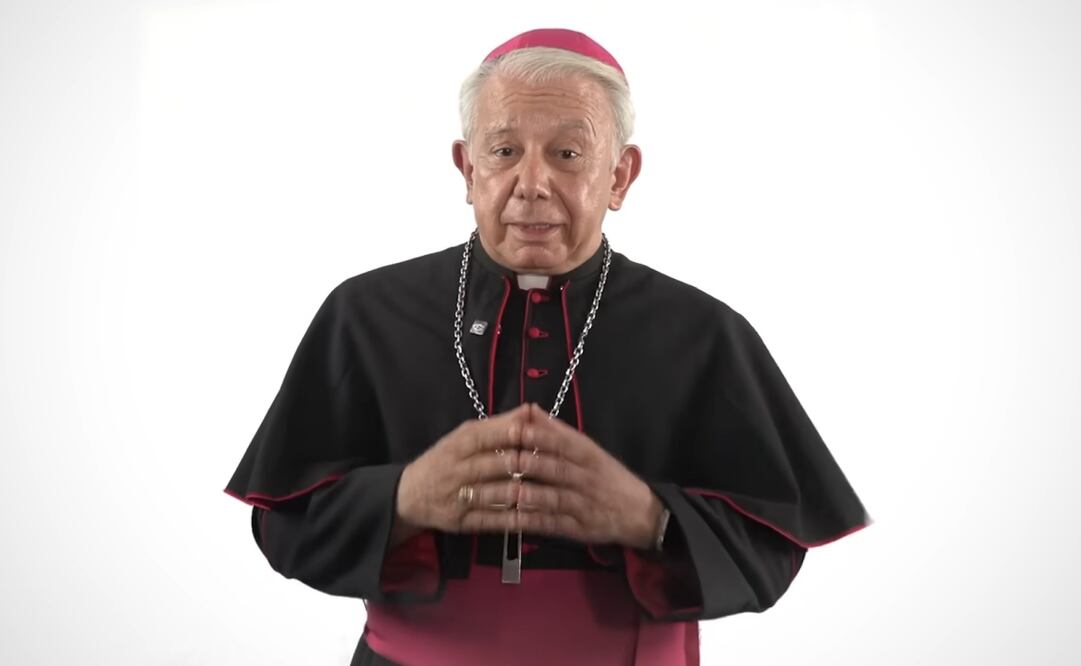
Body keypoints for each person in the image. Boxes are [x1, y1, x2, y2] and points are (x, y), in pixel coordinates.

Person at [224, 28, 868, 666]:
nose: (531, 183)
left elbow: (776, 544)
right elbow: (284, 520)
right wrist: (404, 499)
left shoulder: (703, 333)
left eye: (567, 154)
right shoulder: (366, 314)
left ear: (620, 175)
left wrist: (651, 519)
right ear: (467, 168)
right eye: (504, 150)